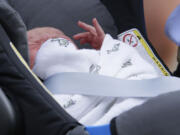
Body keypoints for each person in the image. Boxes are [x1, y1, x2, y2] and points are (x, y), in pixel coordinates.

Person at [27, 18, 158, 126]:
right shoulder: (43, 93)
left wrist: (106, 45)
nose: (51, 41)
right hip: (123, 119)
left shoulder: (102, 57)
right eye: (36, 43)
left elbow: (126, 57)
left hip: (146, 99)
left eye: (59, 37)